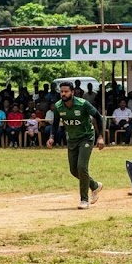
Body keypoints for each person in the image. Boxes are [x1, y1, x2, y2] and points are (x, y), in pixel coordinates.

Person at [48, 81, 105, 210]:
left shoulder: (82, 104)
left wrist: (100, 137)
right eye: (61, 91)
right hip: (72, 139)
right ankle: (95, 186)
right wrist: (51, 137)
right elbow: (55, 123)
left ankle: (84, 200)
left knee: (81, 166)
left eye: (66, 91)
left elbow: (98, 117)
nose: (63, 94)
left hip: (86, 137)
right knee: (74, 170)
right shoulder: (58, 106)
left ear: (72, 92)